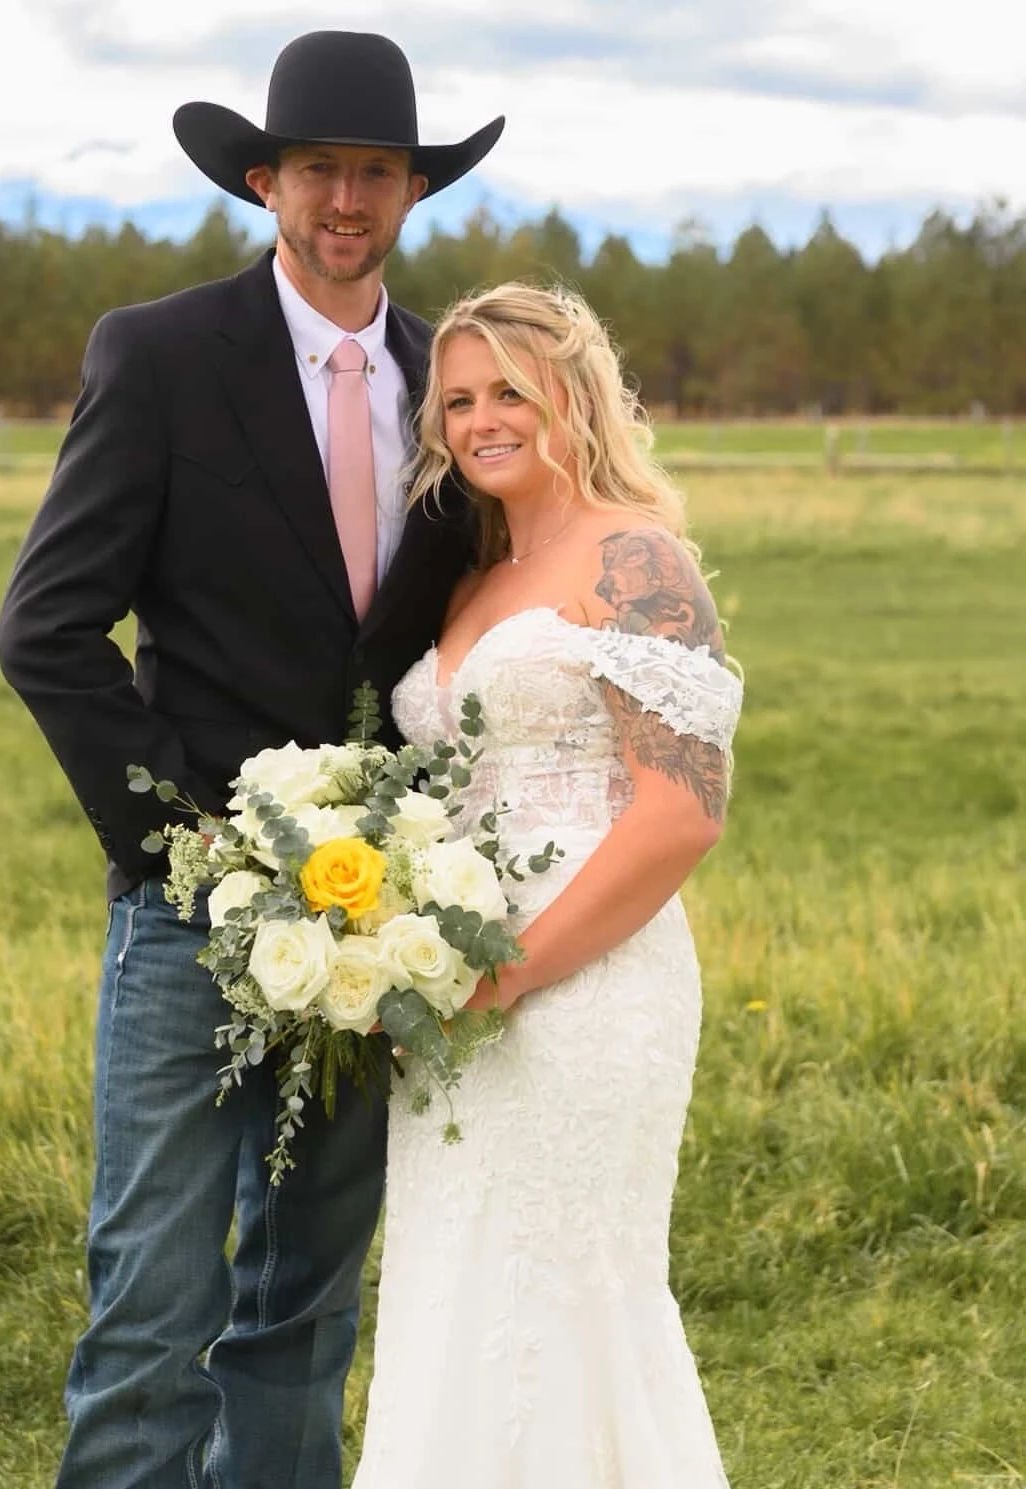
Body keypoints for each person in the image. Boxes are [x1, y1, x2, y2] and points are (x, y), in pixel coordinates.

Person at [0, 30, 503, 1489]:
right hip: (189, 913)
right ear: (263, 182)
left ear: (413, 190)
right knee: (153, 1305)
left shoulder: (450, 384)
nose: (347, 199)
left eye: (377, 172)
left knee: (303, 1307)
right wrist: (189, 847)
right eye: (318, 169)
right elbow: (46, 629)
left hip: (379, 923)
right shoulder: (158, 354)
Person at [353, 283, 744, 1488]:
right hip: (453, 986)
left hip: (585, 985)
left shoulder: (634, 557)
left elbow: (680, 811)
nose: (481, 421)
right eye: (458, 400)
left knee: (569, 1286)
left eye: (509, 393)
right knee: (455, 1282)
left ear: (572, 396)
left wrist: (508, 975)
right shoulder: (472, 577)